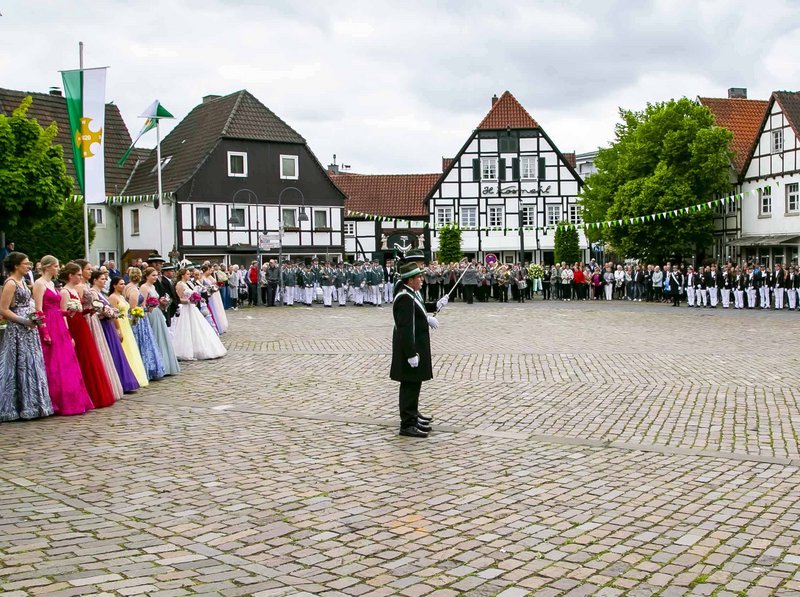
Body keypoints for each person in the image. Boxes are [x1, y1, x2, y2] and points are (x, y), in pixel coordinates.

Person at [390, 262, 448, 438]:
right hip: (410, 348)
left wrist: (436, 305)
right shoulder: (405, 297)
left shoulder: (411, 293)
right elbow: (405, 328)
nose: (422, 279)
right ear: (410, 280)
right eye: (419, 277)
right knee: (409, 385)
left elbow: (419, 308)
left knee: (414, 384)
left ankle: (413, 417)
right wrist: (410, 354)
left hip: (416, 346)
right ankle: (407, 424)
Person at [33, 255, 95, 415]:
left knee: (66, 361)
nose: (58, 269)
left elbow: (56, 309)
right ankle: (55, 400)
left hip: (59, 323)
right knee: (53, 362)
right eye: (55, 266)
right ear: (47, 267)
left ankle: (71, 399)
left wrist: (68, 313)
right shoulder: (39, 284)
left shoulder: (52, 284)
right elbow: (38, 309)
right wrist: (44, 330)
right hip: (49, 323)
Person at [0, 251, 53, 421]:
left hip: (29, 329)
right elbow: (3, 310)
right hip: (18, 330)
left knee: (31, 363)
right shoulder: (10, 283)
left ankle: (34, 404)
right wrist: (23, 320)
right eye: (26, 263)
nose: (29, 266)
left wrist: (34, 317)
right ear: (16, 265)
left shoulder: (23, 281)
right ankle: (16, 406)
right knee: (19, 364)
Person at [60, 262, 116, 409]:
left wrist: (89, 311)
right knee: (83, 356)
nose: (81, 277)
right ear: (70, 275)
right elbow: (63, 313)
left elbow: (79, 310)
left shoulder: (74, 289)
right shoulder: (65, 291)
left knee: (89, 355)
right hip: (75, 325)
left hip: (81, 323)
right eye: (78, 274)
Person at [172, 268, 227, 360]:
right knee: (186, 328)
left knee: (198, 326)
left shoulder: (187, 283)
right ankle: (185, 350)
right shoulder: (180, 284)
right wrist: (190, 300)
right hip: (185, 308)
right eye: (187, 274)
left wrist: (196, 299)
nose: (189, 275)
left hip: (192, 308)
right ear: (182, 275)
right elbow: (179, 299)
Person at [108, 276, 149, 387]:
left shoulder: (121, 296)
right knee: (124, 348)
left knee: (131, 348)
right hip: (119, 324)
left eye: (124, 284)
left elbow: (125, 312)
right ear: (114, 285)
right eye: (121, 284)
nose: (123, 286)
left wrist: (133, 318)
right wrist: (118, 329)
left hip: (126, 323)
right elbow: (114, 315)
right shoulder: (112, 297)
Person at [140, 267, 181, 376]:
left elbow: (156, 301)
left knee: (162, 336)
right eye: (153, 275)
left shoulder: (153, 286)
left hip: (157, 312)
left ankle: (165, 364)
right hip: (150, 314)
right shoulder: (144, 287)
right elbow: (142, 304)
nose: (155, 277)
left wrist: (161, 302)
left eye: (156, 275)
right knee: (155, 336)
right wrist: (150, 305)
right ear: (147, 276)